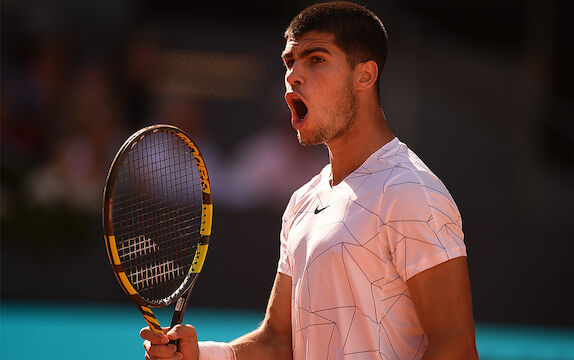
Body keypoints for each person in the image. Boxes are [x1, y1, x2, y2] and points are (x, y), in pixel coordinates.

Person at [141, 2, 478, 359]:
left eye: (316, 59)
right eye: (290, 62)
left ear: (365, 75)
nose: (293, 75)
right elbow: (278, 339)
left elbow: (455, 348)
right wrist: (204, 355)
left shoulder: (412, 192)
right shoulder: (303, 200)